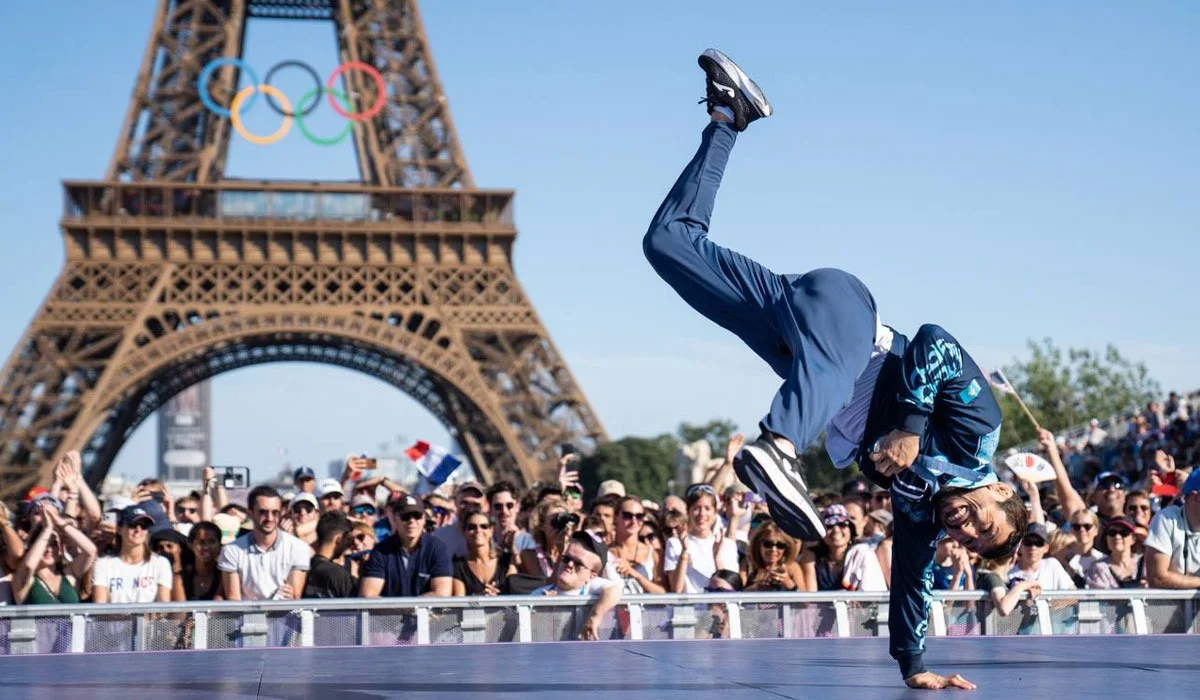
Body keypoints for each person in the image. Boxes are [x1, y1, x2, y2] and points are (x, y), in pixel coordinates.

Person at [641, 49, 1026, 689]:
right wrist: (909, 424)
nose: (965, 529)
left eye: (971, 543)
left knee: (669, 244)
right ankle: (779, 448)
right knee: (833, 380)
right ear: (1003, 495)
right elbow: (935, 340)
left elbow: (910, 576)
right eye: (983, 524)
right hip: (848, 317)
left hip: (795, 336)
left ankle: (729, 117)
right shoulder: (979, 430)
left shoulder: (922, 506)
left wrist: (915, 665)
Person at [218, 485, 311, 601]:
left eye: (275, 512)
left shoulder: (298, 548)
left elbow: (294, 597)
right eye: (263, 512)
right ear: (250, 513)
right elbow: (234, 600)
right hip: (246, 618)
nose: (270, 518)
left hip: (284, 617)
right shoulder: (231, 550)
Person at [531, 531, 622, 640]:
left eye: (579, 564)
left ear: (591, 576)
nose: (569, 565)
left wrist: (594, 617)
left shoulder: (591, 587)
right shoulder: (538, 594)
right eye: (566, 559)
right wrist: (545, 608)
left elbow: (615, 590)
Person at [360, 494, 452, 597]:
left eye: (417, 516)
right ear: (394, 519)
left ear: (424, 520)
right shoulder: (380, 551)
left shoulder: (438, 549)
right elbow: (368, 595)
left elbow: (442, 594)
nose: (412, 521)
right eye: (405, 516)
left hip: (427, 613)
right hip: (390, 613)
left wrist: (405, 608)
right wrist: (400, 611)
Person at [304, 510, 357, 598]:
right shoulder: (338, 575)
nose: (349, 544)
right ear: (339, 539)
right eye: (348, 539)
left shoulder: (303, 569)